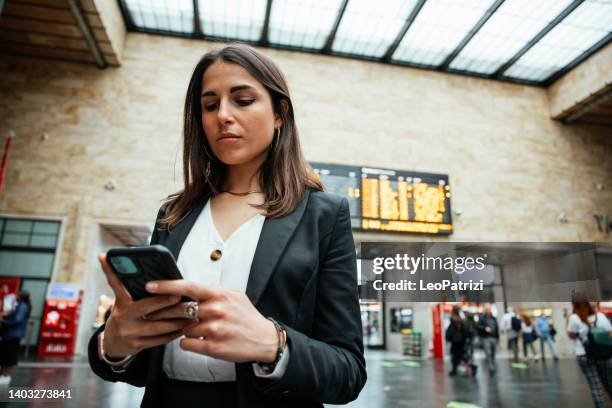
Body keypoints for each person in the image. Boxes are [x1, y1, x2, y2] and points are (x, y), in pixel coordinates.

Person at [88, 43, 366, 407]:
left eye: (243, 100)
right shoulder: (174, 215)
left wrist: (273, 343)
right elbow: (140, 366)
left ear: (280, 113)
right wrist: (114, 344)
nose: (223, 115)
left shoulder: (323, 216)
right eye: (209, 105)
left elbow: (348, 372)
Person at [567, 301, 612, 408]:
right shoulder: (600, 316)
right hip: (604, 353)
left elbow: (571, 336)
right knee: (610, 384)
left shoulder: (574, 318)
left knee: (595, 386)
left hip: (584, 354)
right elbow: (610, 334)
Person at [0, 291, 31, 385]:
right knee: (6, 355)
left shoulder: (22, 306)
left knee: (9, 355)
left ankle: (5, 376)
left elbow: (17, 320)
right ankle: (4, 375)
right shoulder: (22, 305)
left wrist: (4, 321)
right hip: (12, 334)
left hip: (13, 334)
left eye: (17, 295)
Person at [477, 304, 499, 375]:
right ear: (485, 310)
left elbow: (496, 327)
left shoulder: (493, 318)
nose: (488, 310)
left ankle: (492, 363)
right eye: (487, 309)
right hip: (486, 338)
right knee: (488, 352)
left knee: (493, 352)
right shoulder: (482, 318)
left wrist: (497, 337)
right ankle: (491, 366)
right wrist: (484, 328)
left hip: (494, 337)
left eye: (489, 309)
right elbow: (478, 326)